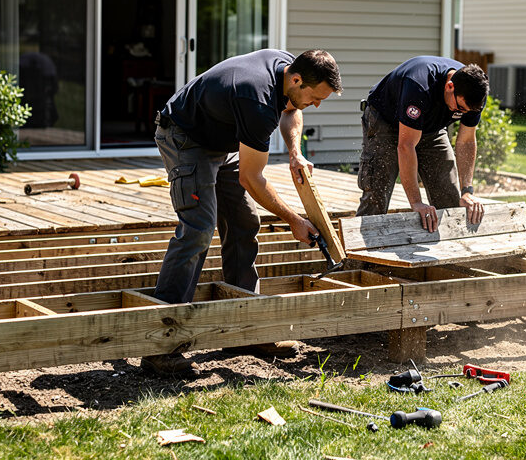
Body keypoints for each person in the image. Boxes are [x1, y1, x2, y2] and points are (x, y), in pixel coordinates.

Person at [146, 49, 342, 375]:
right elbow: (251, 178)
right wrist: (294, 220)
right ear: (296, 80)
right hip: (185, 137)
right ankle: (161, 343)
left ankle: (244, 330)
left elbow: (292, 108)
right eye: (316, 98)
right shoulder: (258, 101)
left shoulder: (289, 68)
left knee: (243, 221)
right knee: (198, 229)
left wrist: (295, 152)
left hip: (221, 139)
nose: (317, 105)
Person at [357, 56, 488, 231]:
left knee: (449, 197)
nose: (462, 113)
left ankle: (447, 248)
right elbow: (406, 146)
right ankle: (361, 247)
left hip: (431, 128)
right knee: (377, 194)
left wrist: (467, 191)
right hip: (386, 122)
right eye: (460, 109)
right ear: (450, 86)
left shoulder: (475, 94)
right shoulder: (419, 85)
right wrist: (416, 202)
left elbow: (466, 141)